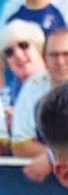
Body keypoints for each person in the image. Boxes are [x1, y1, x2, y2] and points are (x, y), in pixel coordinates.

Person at [11, 26, 68, 180]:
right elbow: (20, 145)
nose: (60, 61)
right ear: (44, 59)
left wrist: (52, 157)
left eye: (67, 54)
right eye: (54, 55)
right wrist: (61, 157)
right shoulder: (33, 85)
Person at [0, 21, 46, 156]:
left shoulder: (57, 82)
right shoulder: (5, 97)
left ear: (39, 48)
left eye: (24, 46)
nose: (18, 55)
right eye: (9, 52)